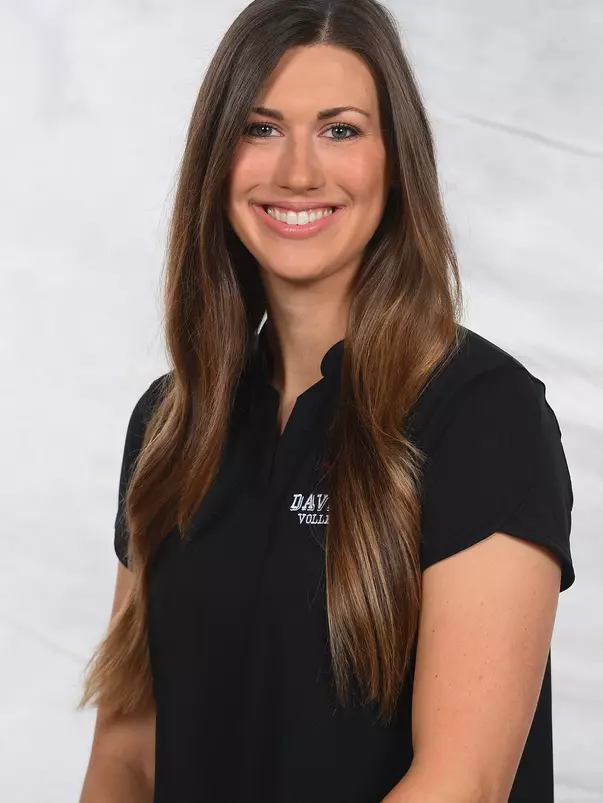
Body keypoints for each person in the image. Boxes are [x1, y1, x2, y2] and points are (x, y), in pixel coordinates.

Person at [77, 1, 575, 801]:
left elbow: (463, 781)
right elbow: (127, 759)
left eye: (340, 129)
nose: (298, 171)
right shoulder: (171, 423)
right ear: (217, 158)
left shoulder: (482, 414)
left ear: (395, 160)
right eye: (260, 128)